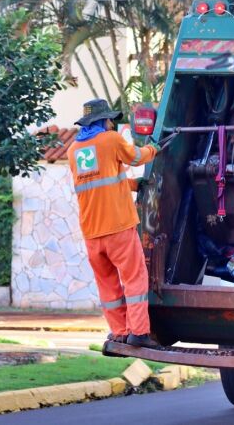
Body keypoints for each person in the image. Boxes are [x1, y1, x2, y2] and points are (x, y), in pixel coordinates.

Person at [67, 99, 161, 348]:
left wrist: (133, 185)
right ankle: (138, 332)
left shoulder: (73, 151)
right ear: (103, 120)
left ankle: (119, 331)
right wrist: (154, 149)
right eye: (109, 119)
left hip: (91, 233)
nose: (111, 123)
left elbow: (98, 182)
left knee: (107, 284)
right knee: (134, 278)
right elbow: (136, 157)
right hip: (118, 228)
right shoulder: (110, 140)